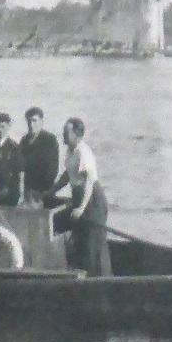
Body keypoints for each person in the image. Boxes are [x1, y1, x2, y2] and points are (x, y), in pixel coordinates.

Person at [48, 117, 110, 277]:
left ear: (76, 134)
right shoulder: (70, 152)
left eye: (66, 132)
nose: (63, 134)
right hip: (78, 197)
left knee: (89, 241)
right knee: (62, 227)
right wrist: (51, 190)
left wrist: (81, 208)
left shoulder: (83, 152)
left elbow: (89, 182)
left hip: (92, 201)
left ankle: (91, 279)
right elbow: (67, 175)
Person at [20, 106, 60, 206]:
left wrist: (40, 192)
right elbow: (20, 165)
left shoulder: (49, 140)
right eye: (29, 121)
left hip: (43, 191)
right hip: (27, 190)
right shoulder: (24, 141)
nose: (31, 124)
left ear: (41, 121)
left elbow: (51, 169)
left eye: (34, 121)